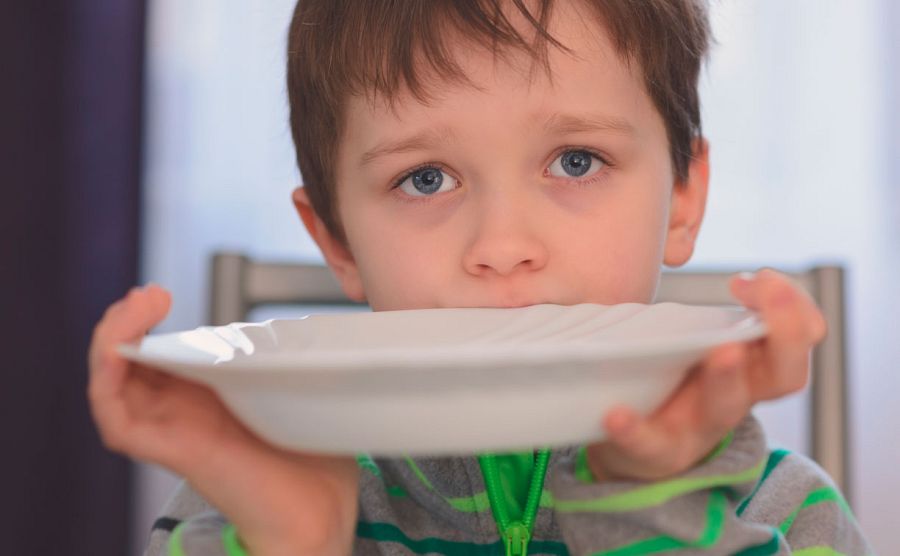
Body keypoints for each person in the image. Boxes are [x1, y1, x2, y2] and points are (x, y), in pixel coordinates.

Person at [88, 0, 872, 554]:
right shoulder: (242, 502)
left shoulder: (783, 514)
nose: (502, 246)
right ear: (339, 241)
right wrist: (296, 540)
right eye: (426, 178)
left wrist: (649, 504)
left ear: (683, 196)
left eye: (576, 161)